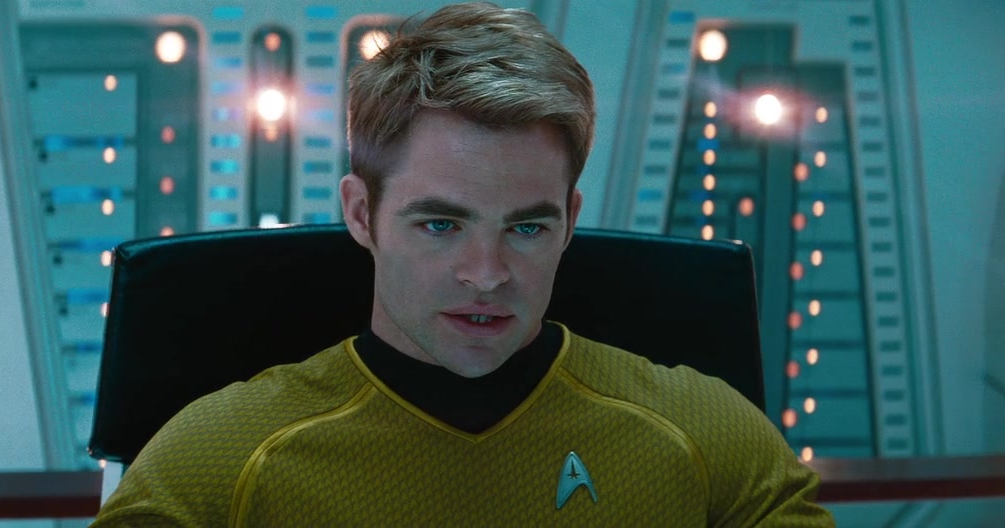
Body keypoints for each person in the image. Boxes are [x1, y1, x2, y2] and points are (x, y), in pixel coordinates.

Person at [92, 2, 835, 526]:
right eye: (441, 225)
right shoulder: (220, 460)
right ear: (361, 215)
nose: (487, 273)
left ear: (570, 222)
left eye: (527, 227)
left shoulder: (708, 437)